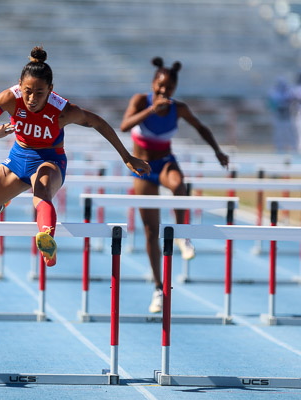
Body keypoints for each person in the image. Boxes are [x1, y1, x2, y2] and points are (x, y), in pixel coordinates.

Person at [0, 46, 150, 267]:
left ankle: (48, 242)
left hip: (50, 161)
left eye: (39, 93)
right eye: (28, 91)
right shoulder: (10, 98)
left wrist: (127, 157)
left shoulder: (62, 110)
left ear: (50, 90)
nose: (32, 98)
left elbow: (98, 122)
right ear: (20, 84)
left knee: (42, 190)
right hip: (17, 159)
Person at [120, 57, 229, 313]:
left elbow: (201, 128)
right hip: (143, 170)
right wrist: (151, 110)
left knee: (180, 185)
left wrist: (217, 151)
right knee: (150, 231)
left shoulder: (178, 108)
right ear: (152, 84)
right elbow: (125, 126)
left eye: (168, 89)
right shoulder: (140, 100)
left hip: (166, 163)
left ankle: (183, 236)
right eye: (159, 87)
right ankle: (158, 288)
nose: (163, 92)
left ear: (174, 89)